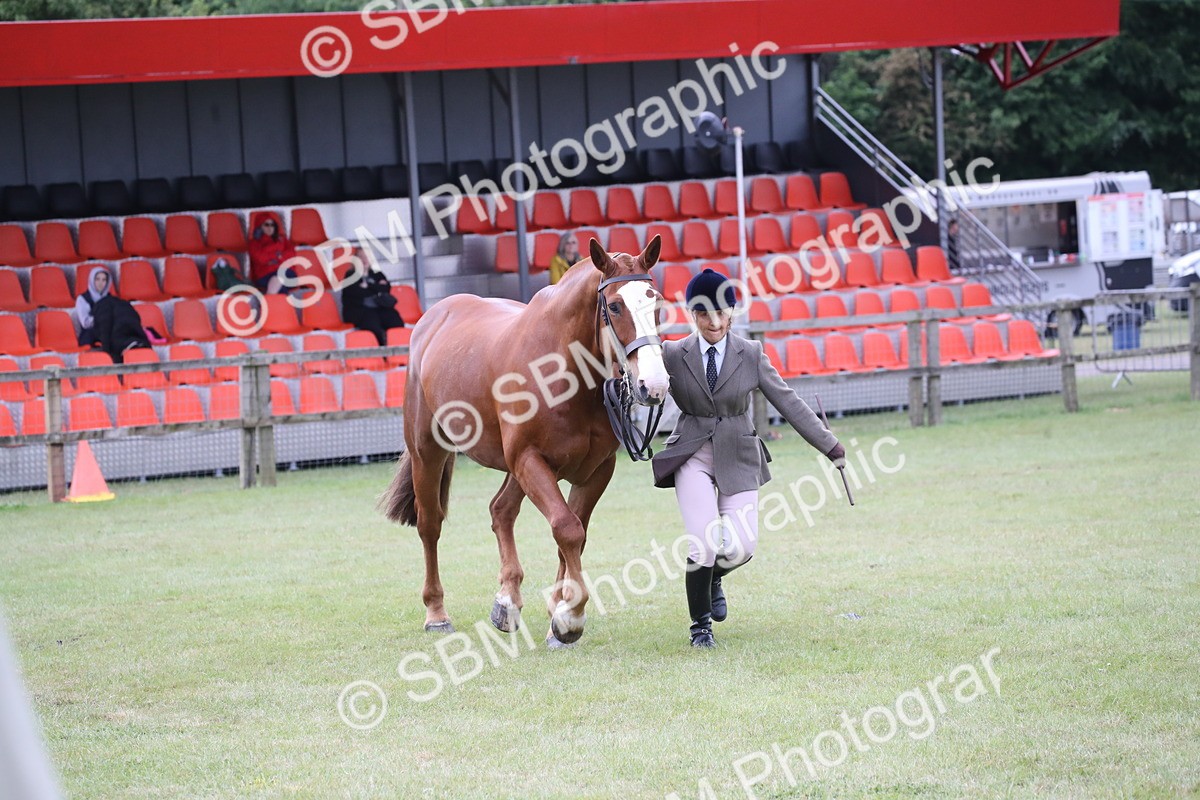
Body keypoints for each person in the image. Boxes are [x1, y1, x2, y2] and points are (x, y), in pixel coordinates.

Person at [651, 269, 846, 648]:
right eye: (705, 314)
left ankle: (712, 578)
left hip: (739, 454)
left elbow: (788, 401)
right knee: (703, 544)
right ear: (692, 314)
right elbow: (642, 382)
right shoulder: (672, 353)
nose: (714, 323)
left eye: (722, 313)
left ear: (733, 312)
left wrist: (830, 446)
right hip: (692, 453)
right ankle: (700, 627)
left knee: (743, 546)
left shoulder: (751, 354)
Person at [74, 266, 150, 362]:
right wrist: (102, 319)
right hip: (92, 332)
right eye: (97, 279)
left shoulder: (110, 299)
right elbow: (86, 323)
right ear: (92, 280)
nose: (100, 283)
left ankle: (134, 343)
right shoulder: (83, 299)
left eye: (104, 280)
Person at [340, 249, 404, 346]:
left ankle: (398, 352)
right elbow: (356, 292)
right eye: (361, 257)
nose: (364, 260)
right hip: (360, 311)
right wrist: (376, 287)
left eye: (367, 257)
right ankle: (381, 353)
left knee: (395, 321)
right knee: (373, 326)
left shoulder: (377, 274)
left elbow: (386, 288)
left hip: (380, 308)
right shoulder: (350, 275)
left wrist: (368, 286)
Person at [248, 211, 296, 294]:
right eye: (266, 225)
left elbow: (292, 255)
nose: (270, 228)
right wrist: (278, 255)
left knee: (278, 279)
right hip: (264, 275)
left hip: (286, 272)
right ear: (260, 226)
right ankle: (275, 303)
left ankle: (267, 303)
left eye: (272, 225)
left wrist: (273, 258)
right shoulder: (254, 243)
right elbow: (261, 259)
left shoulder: (282, 240)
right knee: (279, 284)